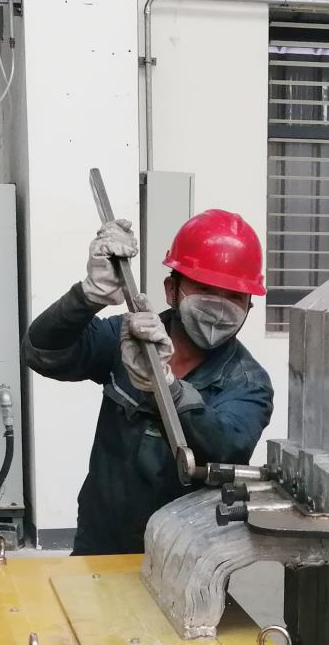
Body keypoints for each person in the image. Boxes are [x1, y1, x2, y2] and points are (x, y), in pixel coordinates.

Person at [21, 209, 274, 555]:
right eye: (204, 288)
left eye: (234, 297)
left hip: (186, 555)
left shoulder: (248, 382)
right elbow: (43, 353)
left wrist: (167, 387)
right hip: (100, 541)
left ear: (249, 306)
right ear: (172, 289)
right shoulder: (127, 337)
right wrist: (86, 297)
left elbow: (225, 447)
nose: (219, 307)